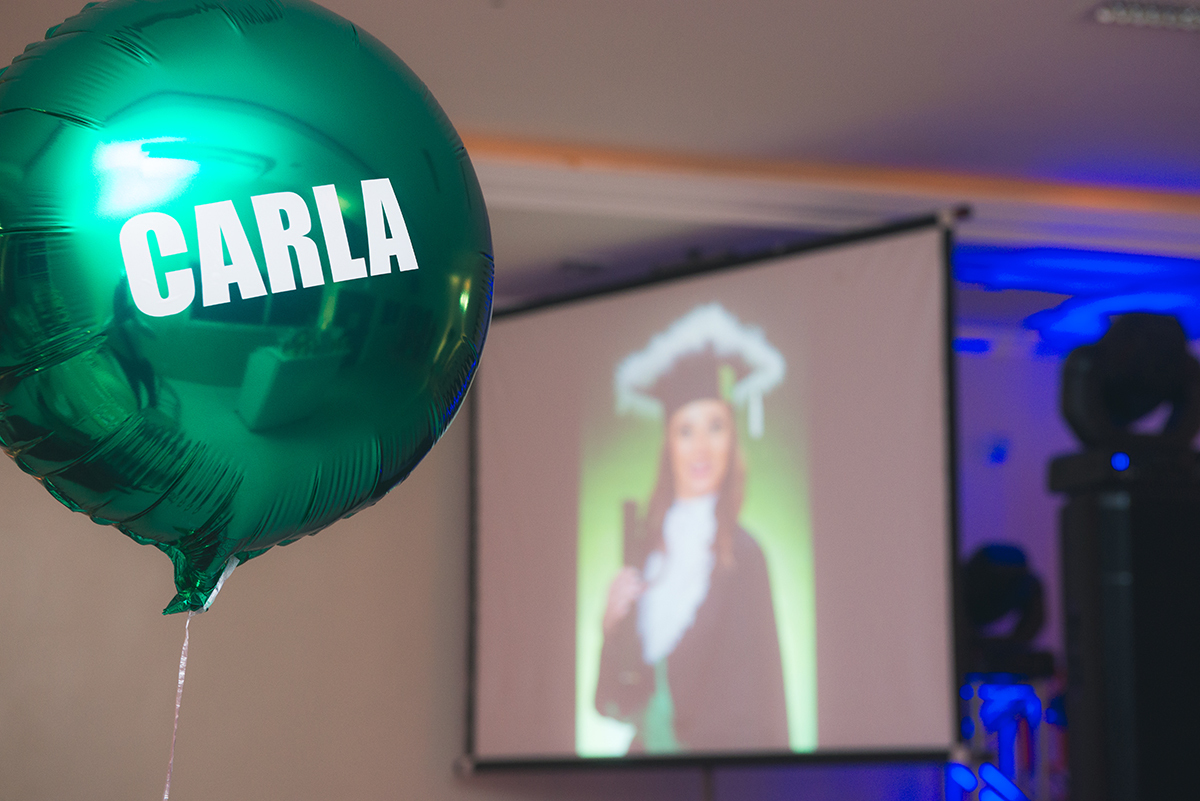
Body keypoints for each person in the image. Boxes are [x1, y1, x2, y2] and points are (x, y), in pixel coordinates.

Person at [594, 303, 788, 753]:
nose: (701, 447)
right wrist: (610, 630)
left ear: (732, 437)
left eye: (715, 427)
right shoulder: (645, 553)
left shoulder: (746, 556)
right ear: (669, 443)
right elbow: (612, 704)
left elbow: (768, 707)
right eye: (686, 430)